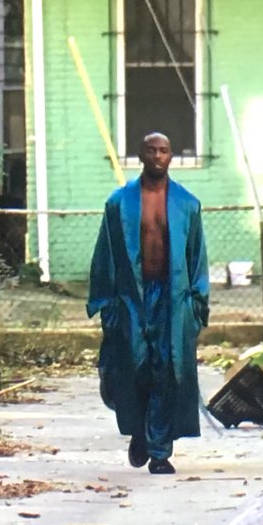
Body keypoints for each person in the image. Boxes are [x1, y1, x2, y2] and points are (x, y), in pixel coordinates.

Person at [87, 133, 209, 475]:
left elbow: (196, 256)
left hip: (173, 297)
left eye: (164, 150)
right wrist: (106, 303)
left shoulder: (187, 204)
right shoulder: (119, 203)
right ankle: (140, 432)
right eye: (151, 150)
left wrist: (198, 303)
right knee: (135, 367)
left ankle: (159, 450)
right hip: (131, 298)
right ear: (141, 155)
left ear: (171, 156)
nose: (157, 156)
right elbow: (105, 255)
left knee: (167, 370)